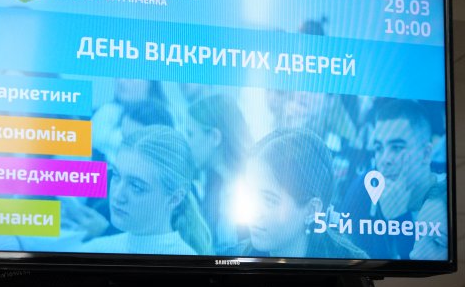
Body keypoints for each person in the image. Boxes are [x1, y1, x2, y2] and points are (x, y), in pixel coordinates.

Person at [80, 126, 212, 255]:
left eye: (136, 186)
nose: (117, 195)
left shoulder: (186, 262)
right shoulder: (96, 249)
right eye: (116, 175)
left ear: (174, 198)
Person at [341, 100, 446, 259]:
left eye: (396, 147)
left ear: (425, 154)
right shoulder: (364, 188)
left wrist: (399, 218)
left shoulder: (447, 195)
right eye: (379, 148)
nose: (385, 160)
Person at [244, 129, 367, 259]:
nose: (252, 211)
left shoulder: (355, 264)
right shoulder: (238, 254)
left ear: (311, 210)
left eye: (269, 200)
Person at [186, 94, 253, 254]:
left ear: (215, 137)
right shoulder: (210, 184)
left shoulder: (250, 188)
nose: (187, 143)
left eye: (190, 134)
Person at [90, 79, 165, 163]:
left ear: (151, 82)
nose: (121, 81)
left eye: (131, 77)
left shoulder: (162, 123)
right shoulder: (98, 115)